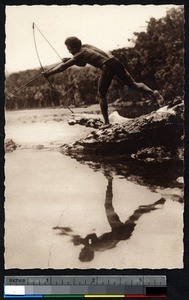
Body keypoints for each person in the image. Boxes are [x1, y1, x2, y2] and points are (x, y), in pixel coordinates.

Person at [44, 37, 164, 128]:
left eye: (69, 49)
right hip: (115, 62)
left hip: (107, 66)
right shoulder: (86, 46)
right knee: (133, 84)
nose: (69, 51)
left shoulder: (79, 54)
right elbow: (83, 63)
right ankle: (155, 94)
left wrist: (48, 74)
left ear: (75, 47)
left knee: (101, 95)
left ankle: (106, 123)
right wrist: (70, 59)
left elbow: (63, 67)